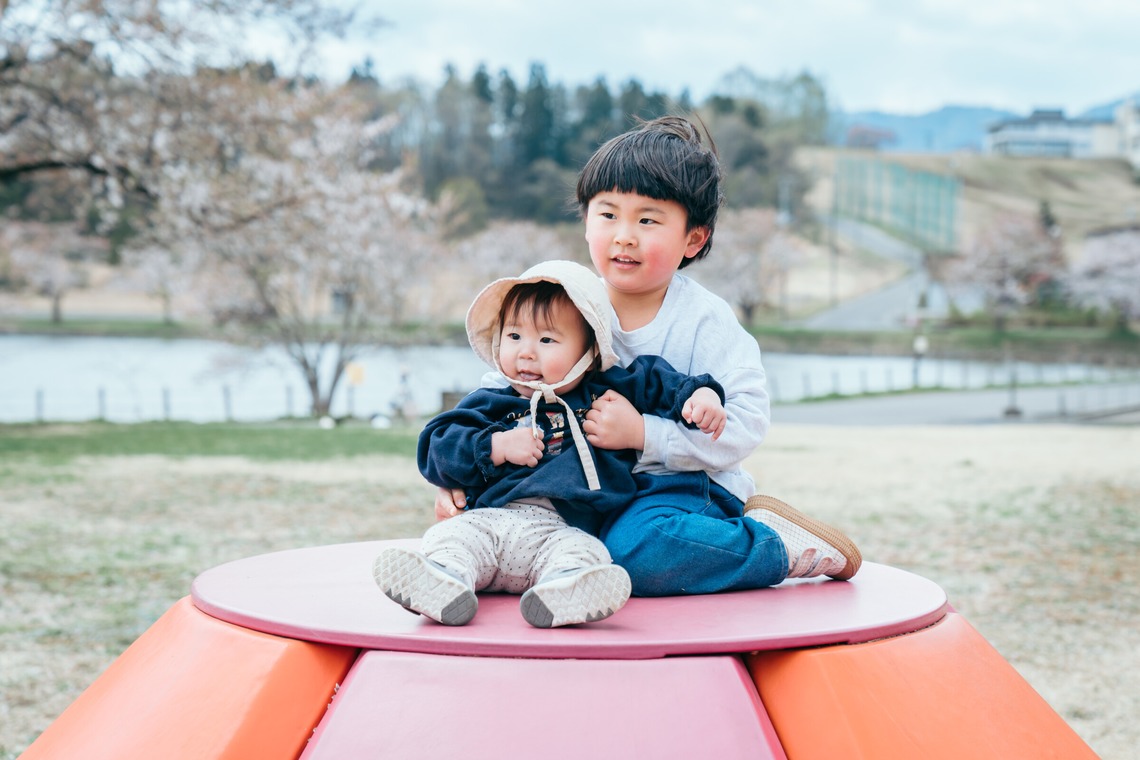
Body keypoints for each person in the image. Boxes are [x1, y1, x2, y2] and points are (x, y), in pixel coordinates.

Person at [435, 115, 862, 597]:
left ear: (693, 239)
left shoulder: (705, 321)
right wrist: (468, 469)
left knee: (638, 550)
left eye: (647, 220)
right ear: (586, 221)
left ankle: (774, 545)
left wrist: (645, 435)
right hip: (590, 490)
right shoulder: (569, 304)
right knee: (506, 539)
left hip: (682, 487)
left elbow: (744, 423)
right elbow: (506, 388)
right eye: (608, 214)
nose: (624, 235)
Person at [374, 259, 727, 627]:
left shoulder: (604, 393)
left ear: (588, 350)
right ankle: (445, 583)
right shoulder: (492, 401)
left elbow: (656, 380)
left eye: (546, 340)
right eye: (514, 337)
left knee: (587, 554)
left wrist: (699, 394)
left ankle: (561, 592)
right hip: (490, 520)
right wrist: (494, 446)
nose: (526, 352)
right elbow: (436, 446)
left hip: (563, 529)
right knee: (452, 540)